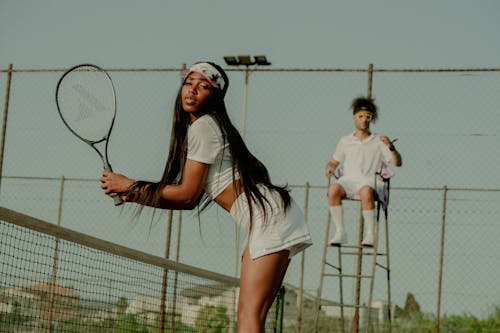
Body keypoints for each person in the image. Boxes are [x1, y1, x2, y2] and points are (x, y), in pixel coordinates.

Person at [100, 61, 312, 332]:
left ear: (215, 96)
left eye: (204, 87)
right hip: (275, 215)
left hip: (270, 218)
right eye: (189, 84)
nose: (192, 91)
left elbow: (187, 196)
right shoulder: (208, 127)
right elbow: (187, 197)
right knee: (252, 316)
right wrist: (136, 194)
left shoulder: (204, 127)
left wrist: (130, 185)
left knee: (248, 316)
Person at [325, 97, 402, 247]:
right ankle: (340, 232)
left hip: (370, 181)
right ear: (354, 118)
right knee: (333, 189)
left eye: (368, 117)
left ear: (371, 120)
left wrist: (391, 148)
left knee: (366, 192)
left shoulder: (378, 141)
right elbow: (334, 161)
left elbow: (397, 163)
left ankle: (370, 235)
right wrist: (330, 167)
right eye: (361, 117)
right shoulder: (345, 140)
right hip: (349, 180)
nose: (364, 120)